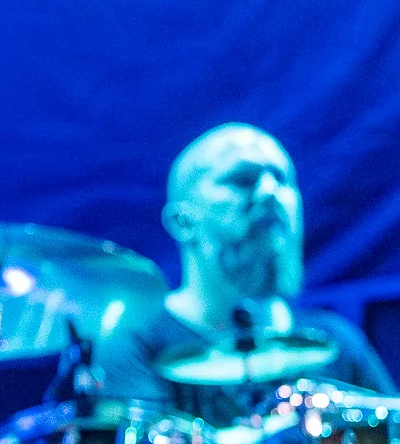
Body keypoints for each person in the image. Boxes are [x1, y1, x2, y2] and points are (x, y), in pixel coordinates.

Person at [97, 124, 394, 425]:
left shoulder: (337, 340)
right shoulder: (133, 344)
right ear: (183, 221)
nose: (269, 191)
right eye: (241, 179)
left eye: (281, 178)